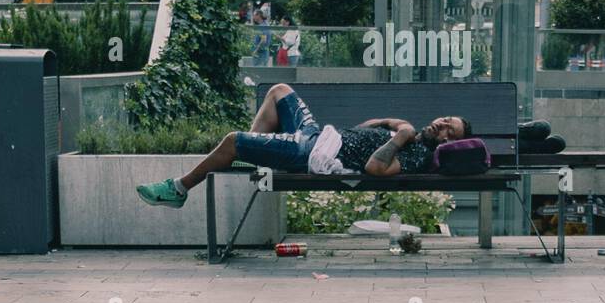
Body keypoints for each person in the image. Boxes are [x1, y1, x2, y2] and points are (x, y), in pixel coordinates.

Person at [135, 84, 472, 208]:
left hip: (311, 153)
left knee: (233, 140)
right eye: (446, 118)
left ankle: (179, 188)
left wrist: (399, 136)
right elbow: (370, 126)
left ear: (449, 144)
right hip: (317, 134)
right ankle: (257, 160)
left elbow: (374, 169)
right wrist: (397, 126)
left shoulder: (416, 156)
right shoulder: (412, 136)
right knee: (279, 91)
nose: (442, 123)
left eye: (449, 129)